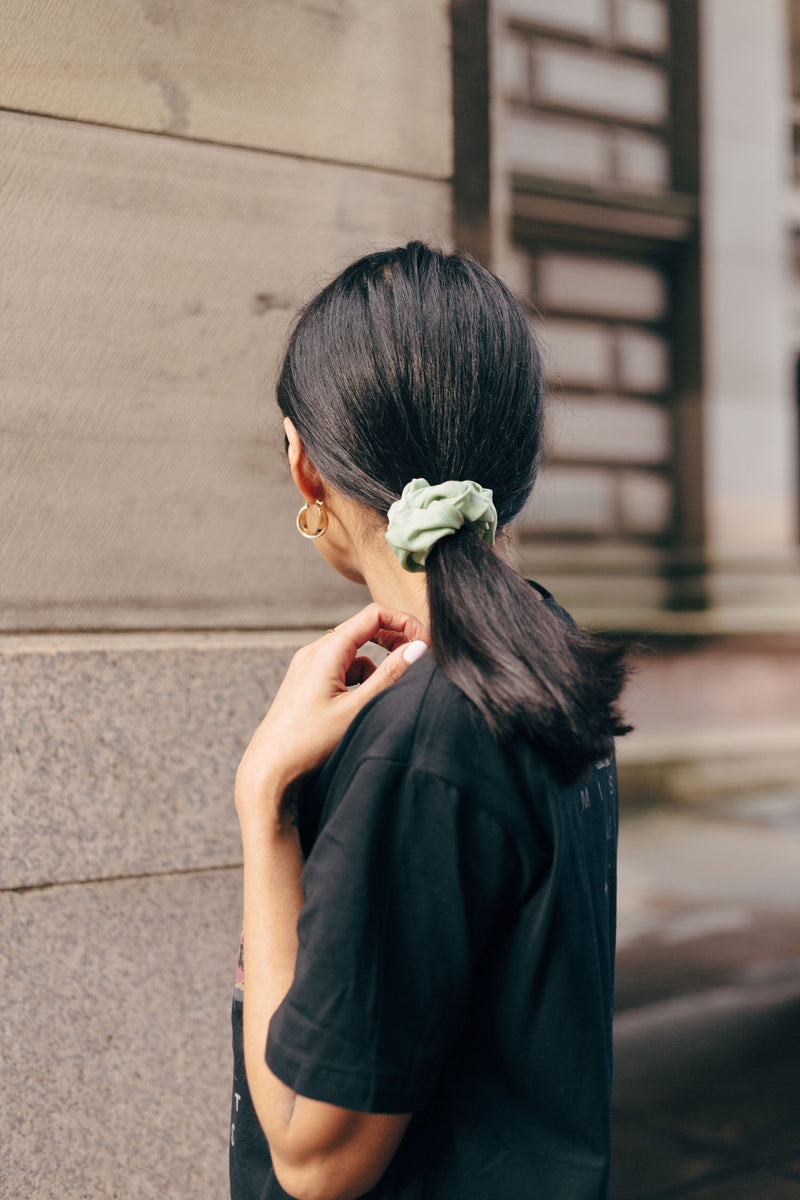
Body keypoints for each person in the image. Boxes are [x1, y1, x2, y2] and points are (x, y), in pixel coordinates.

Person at [229, 242, 630, 1200]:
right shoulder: (538, 649)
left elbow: (313, 1157)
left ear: (305, 468)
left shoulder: (427, 737)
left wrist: (263, 806)